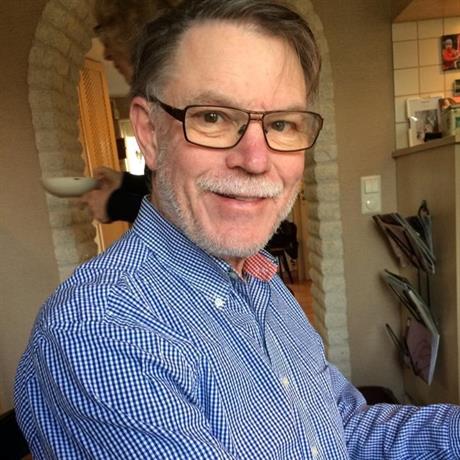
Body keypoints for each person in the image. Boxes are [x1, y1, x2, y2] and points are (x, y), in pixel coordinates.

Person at [14, 1, 460, 458]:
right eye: (213, 117)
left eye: (282, 124)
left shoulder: (261, 280)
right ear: (149, 134)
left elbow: (338, 429)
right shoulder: (105, 329)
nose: (256, 160)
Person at [80, 0, 171, 223]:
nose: (107, 54)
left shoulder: (174, 103)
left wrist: (114, 204)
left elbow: (191, 210)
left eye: (108, 39)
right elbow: (169, 188)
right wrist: (125, 181)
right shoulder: (158, 99)